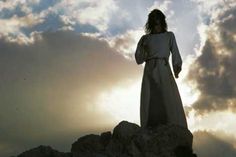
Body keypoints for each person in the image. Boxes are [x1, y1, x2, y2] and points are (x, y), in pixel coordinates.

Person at [135, 9, 188, 129]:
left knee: (166, 96)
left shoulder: (169, 36)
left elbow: (175, 52)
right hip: (149, 70)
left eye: (158, 20)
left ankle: (171, 124)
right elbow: (139, 59)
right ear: (151, 23)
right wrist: (143, 49)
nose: (156, 23)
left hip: (163, 69)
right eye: (154, 21)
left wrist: (177, 66)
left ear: (162, 21)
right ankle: (150, 126)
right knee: (151, 98)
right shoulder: (145, 39)